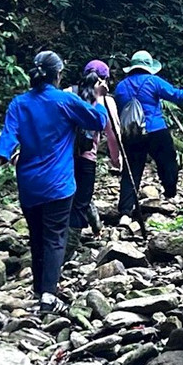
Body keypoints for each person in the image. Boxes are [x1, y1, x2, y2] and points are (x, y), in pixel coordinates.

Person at [0, 51, 110, 308]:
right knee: (54, 238)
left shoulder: (19, 103)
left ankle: (39, 290)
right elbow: (98, 121)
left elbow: (8, 137)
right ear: (58, 74)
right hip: (58, 184)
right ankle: (49, 297)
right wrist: (98, 98)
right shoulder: (64, 100)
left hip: (29, 185)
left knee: (37, 237)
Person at [113, 50, 183, 222]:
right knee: (167, 162)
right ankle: (170, 195)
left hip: (131, 133)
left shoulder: (121, 86)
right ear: (148, 67)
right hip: (155, 130)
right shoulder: (153, 81)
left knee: (132, 170)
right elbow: (177, 96)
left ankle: (125, 210)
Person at [69, 60, 123, 237]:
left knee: (66, 196)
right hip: (87, 158)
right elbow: (113, 136)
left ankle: (61, 239)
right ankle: (69, 245)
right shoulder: (106, 102)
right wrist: (116, 161)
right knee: (81, 201)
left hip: (63, 157)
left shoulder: (68, 93)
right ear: (105, 80)